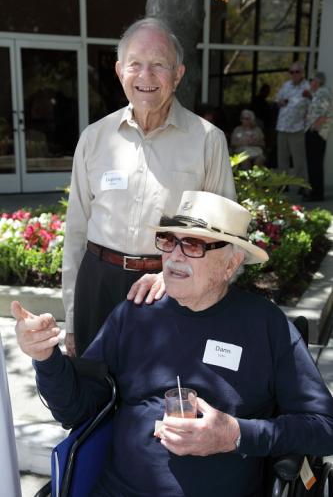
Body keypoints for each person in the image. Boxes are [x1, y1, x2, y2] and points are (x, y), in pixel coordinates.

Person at [13, 190, 333, 497]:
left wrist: (234, 434)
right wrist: (45, 358)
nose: (174, 256)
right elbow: (75, 409)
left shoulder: (265, 325)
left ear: (231, 264)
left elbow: (324, 428)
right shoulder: (136, 314)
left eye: (192, 245)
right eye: (169, 241)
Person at [62, 18, 236, 358]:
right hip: (98, 284)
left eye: (158, 65)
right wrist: (71, 318)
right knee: (93, 394)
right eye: (135, 65)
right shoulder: (95, 138)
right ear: (119, 70)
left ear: (178, 74)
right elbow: (76, 232)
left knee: (161, 398)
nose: (145, 76)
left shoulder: (207, 141)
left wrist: (179, 279)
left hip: (168, 285)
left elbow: (225, 237)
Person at [275, 61, 310, 185]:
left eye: (297, 72)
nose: (294, 74)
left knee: (298, 159)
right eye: (291, 72)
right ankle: (282, 184)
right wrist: (280, 102)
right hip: (282, 127)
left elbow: (311, 106)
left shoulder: (307, 87)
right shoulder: (286, 85)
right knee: (282, 158)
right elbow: (277, 99)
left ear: (302, 73)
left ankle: (301, 184)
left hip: (297, 128)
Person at [303, 72, 332, 201]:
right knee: (313, 163)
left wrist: (315, 126)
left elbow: (325, 112)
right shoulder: (318, 93)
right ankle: (313, 191)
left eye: (312, 80)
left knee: (315, 163)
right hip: (314, 131)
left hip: (317, 132)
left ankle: (316, 194)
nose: (310, 83)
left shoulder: (323, 92)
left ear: (318, 81)